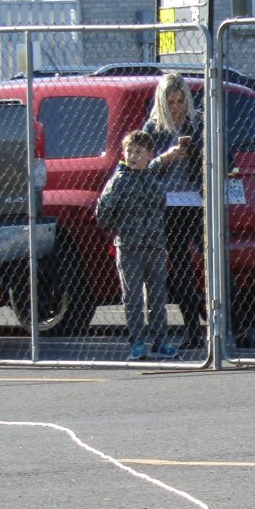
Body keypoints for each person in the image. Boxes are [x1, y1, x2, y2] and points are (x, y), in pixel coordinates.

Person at [95, 129, 175, 361]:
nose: (133, 156)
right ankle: (137, 341)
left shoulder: (153, 181)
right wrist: (121, 228)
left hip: (155, 246)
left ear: (150, 155)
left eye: (139, 152)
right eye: (129, 151)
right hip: (130, 246)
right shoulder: (119, 180)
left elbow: (161, 208)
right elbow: (104, 211)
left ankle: (161, 341)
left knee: (157, 295)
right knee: (133, 296)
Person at [141, 74, 208, 351]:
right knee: (181, 268)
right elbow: (140, 168)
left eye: (181, 101)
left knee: (214, 264)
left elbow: (220, 157)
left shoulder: (199, 123)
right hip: (169, 205)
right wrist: (164, 158)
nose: (177, 107)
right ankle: (193, 329)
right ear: (162, 102)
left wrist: (197, 153)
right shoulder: (154, 129)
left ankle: (232, 329)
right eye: (171, 102)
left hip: (199, 203)